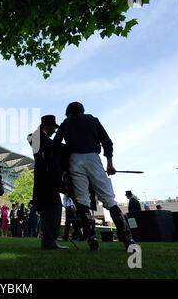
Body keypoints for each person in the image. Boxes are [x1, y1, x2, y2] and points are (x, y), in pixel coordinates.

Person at [54, 102, 135, 251]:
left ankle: (92, 241)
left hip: (75, 161)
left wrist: (64, 165)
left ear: (69, 113)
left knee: (82, 201)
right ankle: (128, 240)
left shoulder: (66, 123)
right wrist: (110, 163)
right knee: (109, 200)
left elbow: (55, 145)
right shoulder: (93, 120)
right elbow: (107, 142)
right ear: (82, 111)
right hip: (93, 158)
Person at [28, 115, 69, 250]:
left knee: (52, 209)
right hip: (47, 180)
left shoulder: (41, 139)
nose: (54, 132)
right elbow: (36, 139)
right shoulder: (38, 137)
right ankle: (49, 242)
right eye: (54, 129)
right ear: (48, 126)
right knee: (54, 208)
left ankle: (48, 241)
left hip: (46, 180)